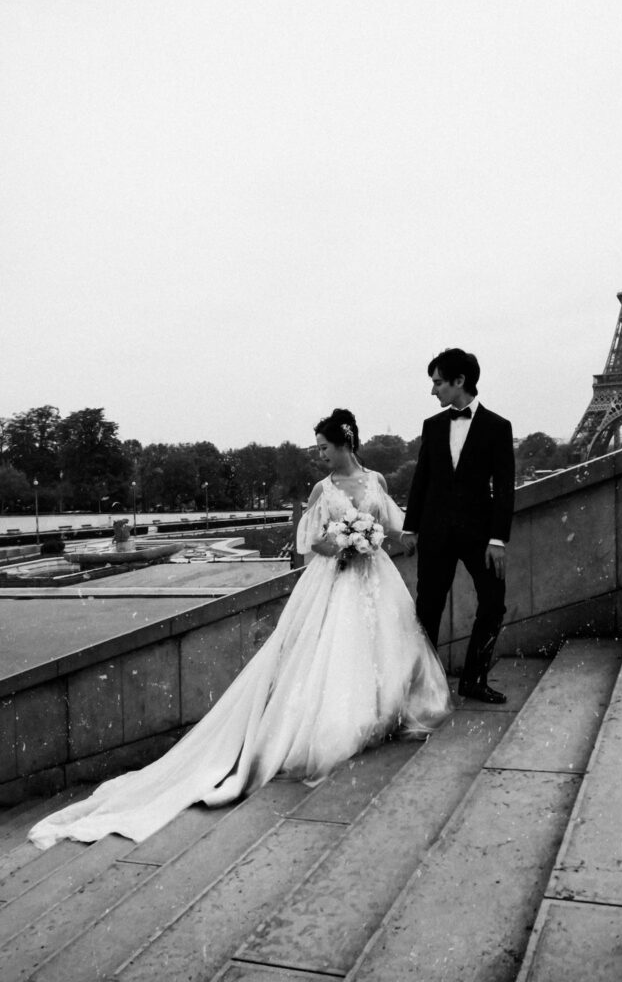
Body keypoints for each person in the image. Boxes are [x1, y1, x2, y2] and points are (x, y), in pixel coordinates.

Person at [28, 409, 452, 850]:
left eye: (324, 447)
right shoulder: (321, 490)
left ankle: (381, 717)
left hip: (374, 579)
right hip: (336, 582)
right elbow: (311, 542)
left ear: (344, 442)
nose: (320, 455)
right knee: (335, 655)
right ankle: (342, 728)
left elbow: (393, 527)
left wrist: (370, 536)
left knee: (378, 649)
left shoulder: (376, 481)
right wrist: (343, 540)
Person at [401, 348, 515, 704]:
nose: (433, 391)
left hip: (481, 536)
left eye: (437, 383)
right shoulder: (432, 427)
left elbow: (505, 487)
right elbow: (421, 479)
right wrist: (410, 527)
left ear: (459, 381)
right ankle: (424, 686)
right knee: (428, 609)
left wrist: (498, 539)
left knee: (494, 604)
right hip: (435, 532)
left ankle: (474, 679)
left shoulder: (498, 427)